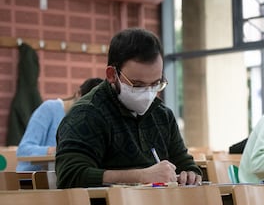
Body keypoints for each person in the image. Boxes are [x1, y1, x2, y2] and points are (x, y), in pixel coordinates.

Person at [55, 27, 202, 188]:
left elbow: (184, 163)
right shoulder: (86, 114)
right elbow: (70, 175)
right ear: (112, 74)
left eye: (155, 84)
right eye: (137, 85)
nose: (147, 94)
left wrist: (190, 174)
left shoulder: (162, 115)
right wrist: (141, 175)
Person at [16, 77, 103, 171]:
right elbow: (23, 150)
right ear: (78, 94)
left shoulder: (86, 120)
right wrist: (56, 150)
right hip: (31, 178)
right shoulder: (49, 109)